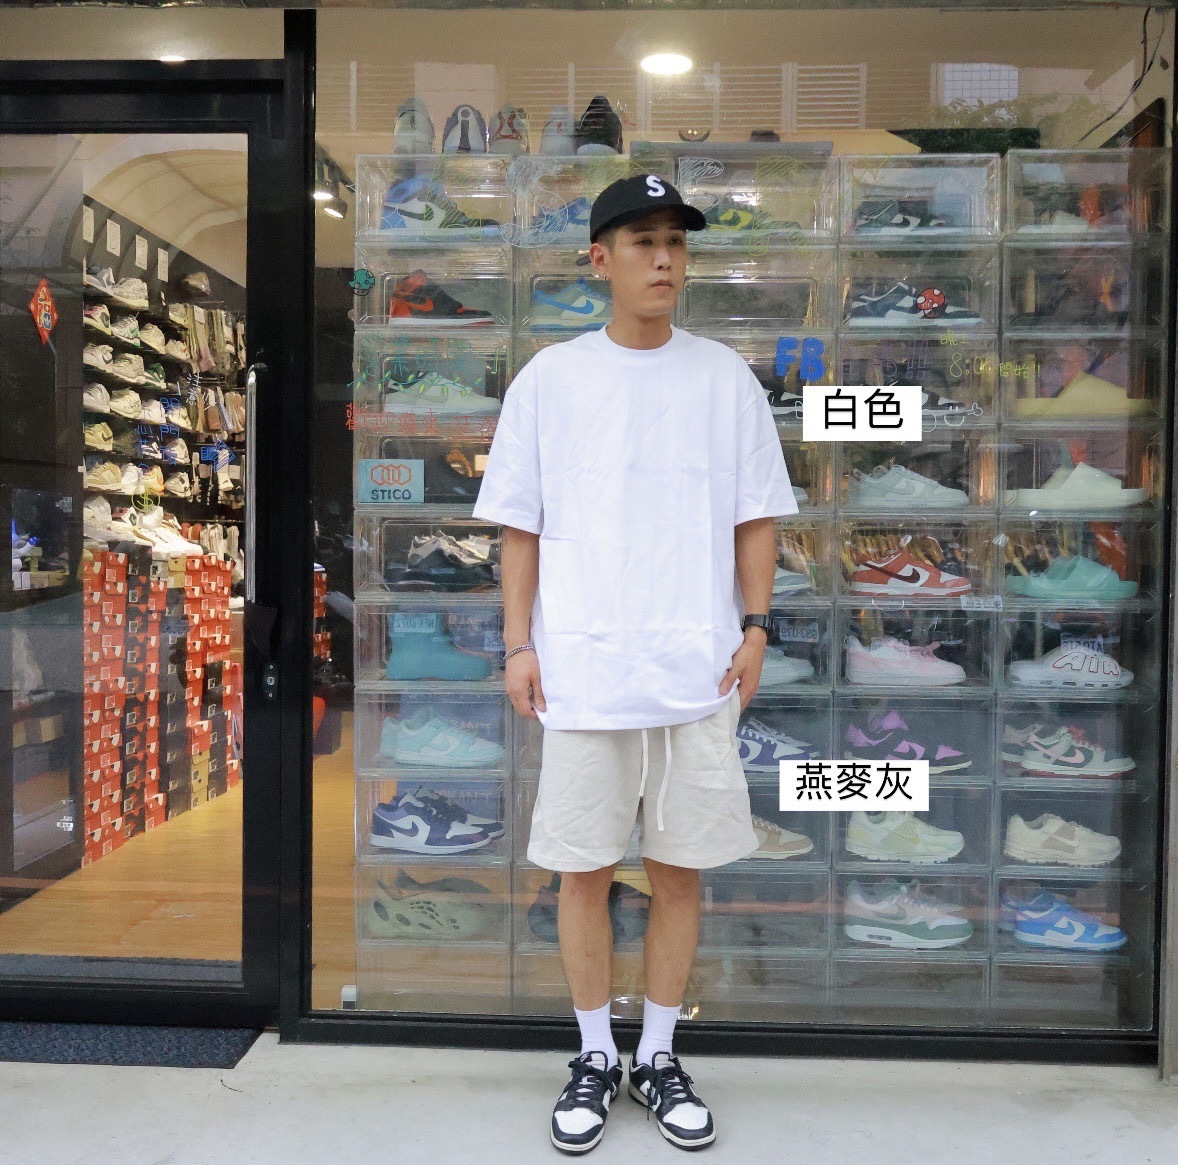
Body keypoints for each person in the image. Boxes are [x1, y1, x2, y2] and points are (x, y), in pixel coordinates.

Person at [473, 174, 796, 1154]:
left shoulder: (724, 378)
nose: (663, 258)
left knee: (678, 872)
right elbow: (519, 526)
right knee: (580, 873)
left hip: (696, 670)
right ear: (598, 259)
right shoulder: (550, 379)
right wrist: (519, 642)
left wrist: (755, 627)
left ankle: (656, 1053)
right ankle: (591, 1054)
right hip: (583, 670)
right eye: (643, 240)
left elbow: (756, 515)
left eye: (676, 242)